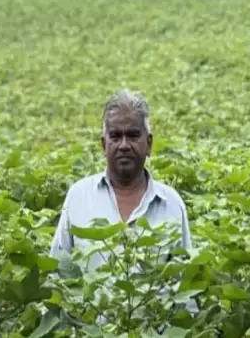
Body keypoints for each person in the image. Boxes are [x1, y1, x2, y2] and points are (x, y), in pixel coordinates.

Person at [50, 88, 193, 269]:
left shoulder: (171, 203)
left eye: (133, 135)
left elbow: (183, 280)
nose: (124, 145)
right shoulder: (78, 197)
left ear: (148, 144)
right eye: (115, 136)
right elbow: (58, 272)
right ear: (104, 145)